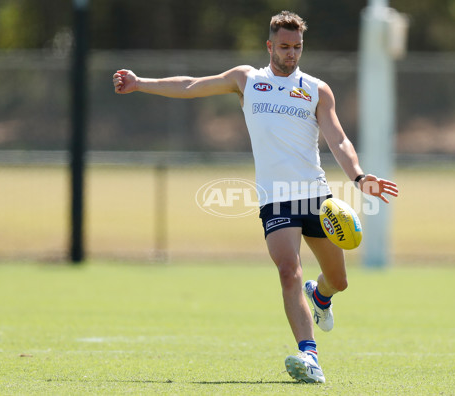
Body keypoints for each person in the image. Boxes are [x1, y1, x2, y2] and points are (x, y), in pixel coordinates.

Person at [113, 10, 398, 384]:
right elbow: (190, 85)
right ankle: (309, 357)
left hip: (317, 198)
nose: (291, 54)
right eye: (284, 47)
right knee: (287, 270)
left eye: (297, 47)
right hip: (275, 200)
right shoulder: (246, 80)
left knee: (339, 280)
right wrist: (140, 83)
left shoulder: (316, 89)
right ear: (269, 46)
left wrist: (360, 177)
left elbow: (338, 138)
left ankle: (322, 296)